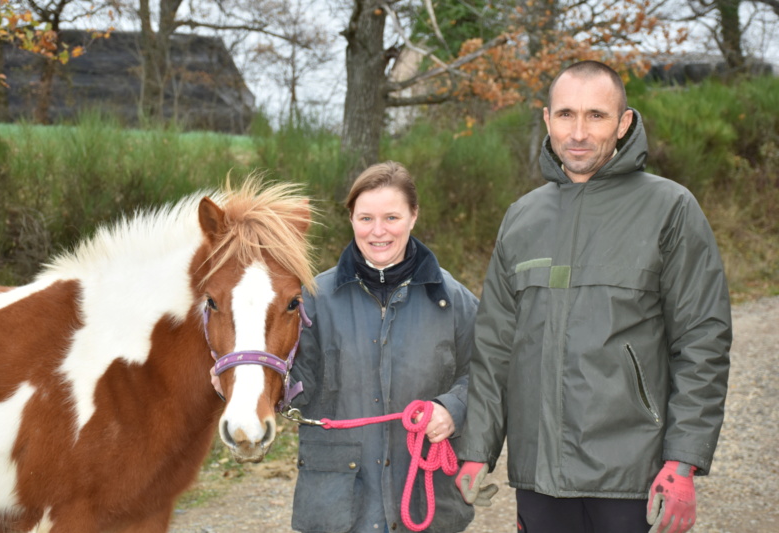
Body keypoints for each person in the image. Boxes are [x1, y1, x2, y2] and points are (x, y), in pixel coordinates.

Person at [455, 60, 732, 533]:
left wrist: (683, 461)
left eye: (596, 116)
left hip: (632, 474)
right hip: (539, 474)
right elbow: (495, 349)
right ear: (547, 119)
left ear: (623, 122)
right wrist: (476, 449)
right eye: (566, 115)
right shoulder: (521, 218)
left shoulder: (670, 208)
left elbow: (702, 341)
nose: (578, 132)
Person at [289, 161, 479, 533]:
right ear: (351, 219)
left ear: (413, 217)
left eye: (391, 217)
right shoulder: (310, 300)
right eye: (365, 218)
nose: (378, 232)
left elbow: (491, 374)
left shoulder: (454, 300)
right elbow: (292, 385)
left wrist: (453, 408)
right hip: (337, 508)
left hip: (426, 504)